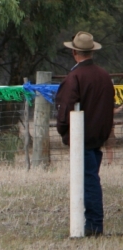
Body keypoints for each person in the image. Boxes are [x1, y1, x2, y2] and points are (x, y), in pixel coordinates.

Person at [55, 31, 114, 237]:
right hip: (98, 135)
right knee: (90, 178)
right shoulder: (105, 76)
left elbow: (65, 109)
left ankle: (94, 225)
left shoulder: (75, 77)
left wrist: (63, 129)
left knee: (88, 181)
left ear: (74, 52)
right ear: (91, 51)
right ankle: (91, 223)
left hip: (82, 136)